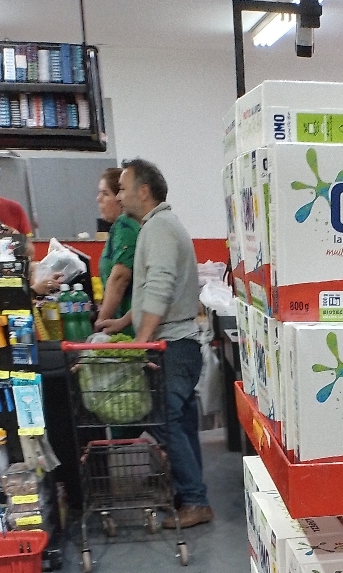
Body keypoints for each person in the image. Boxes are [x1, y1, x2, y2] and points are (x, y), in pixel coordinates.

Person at [113, 158, 212, 528]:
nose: (119, 197)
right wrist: (125, 320)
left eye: (123, 189)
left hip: (172, 346)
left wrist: (140, 341)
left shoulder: (158, 227)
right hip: (179, 343)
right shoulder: (161, 225)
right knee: (180, 421)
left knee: (163, 418)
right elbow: (150, 290)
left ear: (143, 191)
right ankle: (191, 495)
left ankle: (196, 500)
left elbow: (161, 285)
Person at [93, 168, 139, 332]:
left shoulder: (124, 227)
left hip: (130, 327)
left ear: (120, 198)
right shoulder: (119, 229)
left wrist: (101, 322)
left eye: (105, 193)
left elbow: (120, 278)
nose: (98, 199)